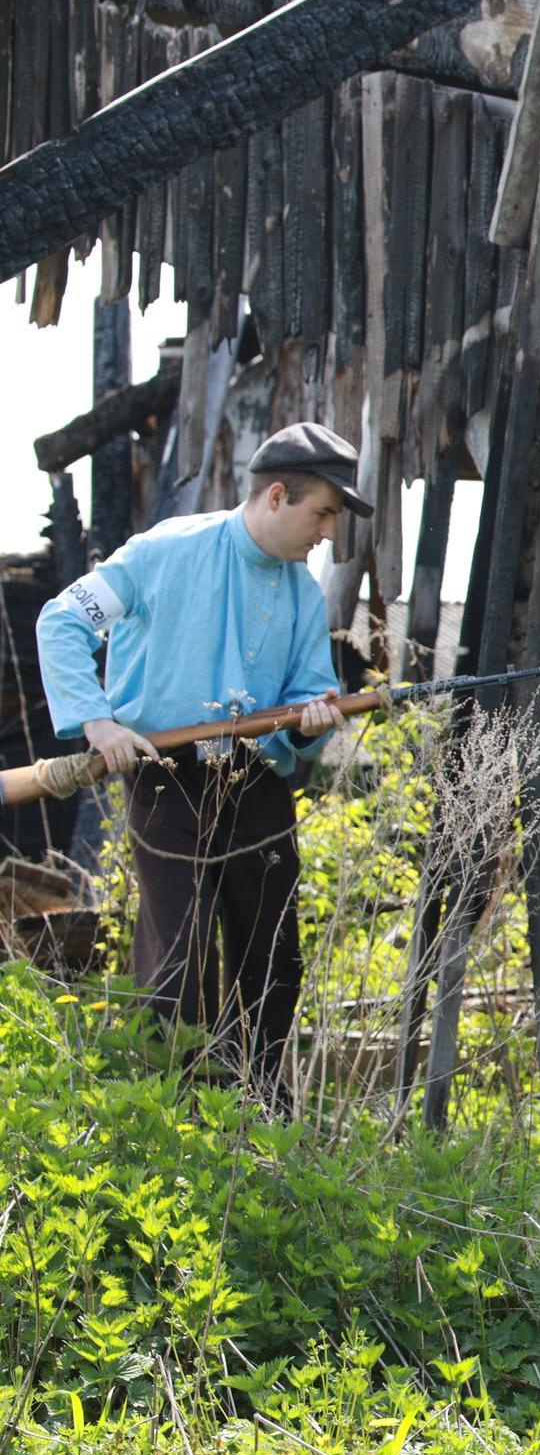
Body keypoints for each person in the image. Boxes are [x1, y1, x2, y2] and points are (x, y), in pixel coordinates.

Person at [35, 423, 369, 1105]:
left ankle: (259, 1119)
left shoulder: (302, 595)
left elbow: (308, 697)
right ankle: (169, 1120)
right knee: (179, 958)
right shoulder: (163, 552)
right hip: (164, 775)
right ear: (277, 495)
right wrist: (97, 721)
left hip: (254, 782)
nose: (330, 531)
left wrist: (310, 720)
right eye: (325, 512)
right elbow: (61, 620)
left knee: (272, 958)